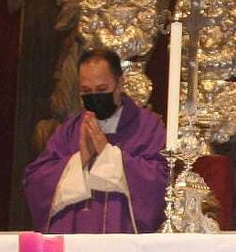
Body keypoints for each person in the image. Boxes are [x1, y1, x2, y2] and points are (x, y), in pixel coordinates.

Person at [22, 48, 168, 233]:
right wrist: (80, 160)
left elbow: (159, 182)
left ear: (120, 83)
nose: (95, 97)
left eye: (101, 89)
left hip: (122, 241)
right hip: (74, 241)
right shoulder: (71, 129)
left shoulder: (148, 126)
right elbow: (35, 180)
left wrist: (108, 154)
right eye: (86, 91)